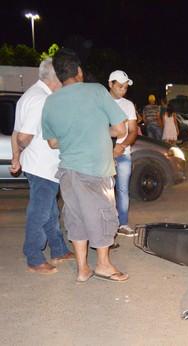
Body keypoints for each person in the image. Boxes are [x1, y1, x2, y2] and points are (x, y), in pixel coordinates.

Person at [41, 48, 128, 283]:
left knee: (76, 217)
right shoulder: (96, 91)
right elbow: (121, 129)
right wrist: (101, 129)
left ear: (59, 76)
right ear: (79, 71)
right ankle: (103, 265)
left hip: (68, 171)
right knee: (102, 215)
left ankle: (82, 269)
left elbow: (51, 142)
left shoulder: (49, 102)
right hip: (95, 169)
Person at [10, 58, 73, 274]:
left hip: (38, 165)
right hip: (42, 167)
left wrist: (16, 157)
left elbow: (15, 131)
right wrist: (22, 146)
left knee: (50, 211)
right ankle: (34, 256)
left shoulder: (29, 95)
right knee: (40, 213)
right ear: (55, 78)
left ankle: (58, 249)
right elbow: (23, 135)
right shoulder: (41, 100)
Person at [108, 70, 138, 238]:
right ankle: (108, 225)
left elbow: (133, 131)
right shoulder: (101, 102)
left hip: (124, 153)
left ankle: (123, 224)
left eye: (125, 87)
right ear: (110, 84)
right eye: (120, 86)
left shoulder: (128, 105)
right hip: (105, 155)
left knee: (123, 189)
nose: (123, 90)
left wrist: (122, 145)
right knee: (106, 191)